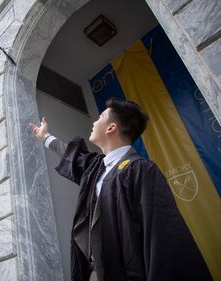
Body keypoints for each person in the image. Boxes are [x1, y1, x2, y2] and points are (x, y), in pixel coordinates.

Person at [29, 98, 212, 281]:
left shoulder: (140, 170)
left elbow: (163, 238)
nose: (94, 122)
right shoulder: (96, 167)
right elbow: (71, 156)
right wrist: (45, 137)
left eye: (100, 117)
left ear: (111, 128)